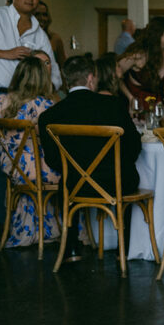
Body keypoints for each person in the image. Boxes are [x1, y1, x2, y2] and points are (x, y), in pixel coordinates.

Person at [0, 0, 61, 241]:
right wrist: (6, 54)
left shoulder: (39, 32)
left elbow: (55, 74)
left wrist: (41, 82)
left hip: (19, 102)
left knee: (9, 162)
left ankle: (5, 220)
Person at [38, 55, 142, 262]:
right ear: (90, 78)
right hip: (116, 183)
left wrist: (78, 171)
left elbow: (52, 160)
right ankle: (125, 248)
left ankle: (71, 248)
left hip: (73, 185)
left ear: (67, 81)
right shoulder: (113, 105)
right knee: (130, 176)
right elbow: (134, 147)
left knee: (67, 182)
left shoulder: (49, 116)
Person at [0, 57, 60, 248]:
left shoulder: (1, 102)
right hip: (38, 169)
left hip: (11, 167)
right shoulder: (43, 105)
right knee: (69, 168)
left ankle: (28, 230)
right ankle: (60, 230)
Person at [123, 16, 164, 103]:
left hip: (162, 110)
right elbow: (114, 74)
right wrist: (130, 97)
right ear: (158, 34)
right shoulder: (138, 55)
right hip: (139, 110)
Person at [34, 2, 67, 68]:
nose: (42, 18)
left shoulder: (55, 39)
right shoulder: (23, 39)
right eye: (37, 14)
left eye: (45, 14)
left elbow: (63, 66)